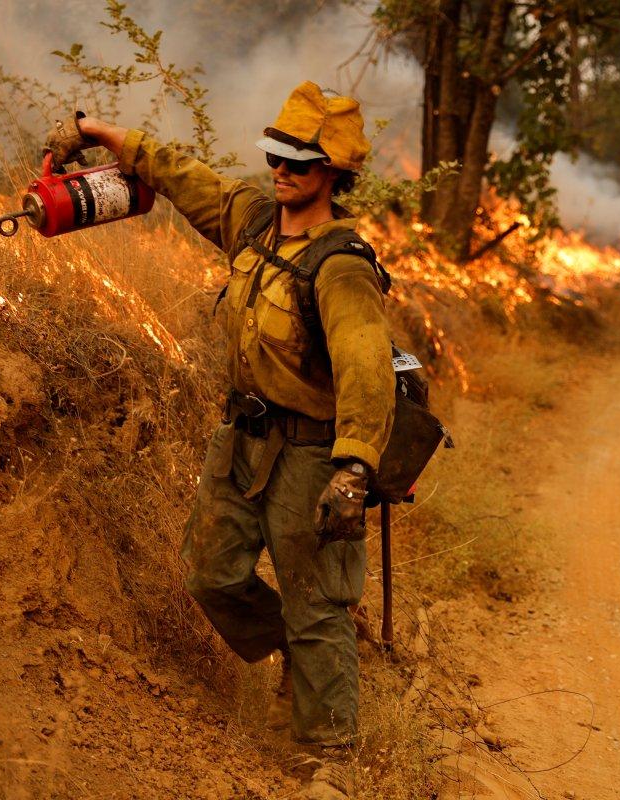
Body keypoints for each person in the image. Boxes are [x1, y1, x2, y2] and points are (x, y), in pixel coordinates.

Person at [45, 82, 394, 797]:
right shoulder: (254, 220)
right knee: (210, 575)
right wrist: (96, 130)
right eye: (278, 155)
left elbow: (365, 367)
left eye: (301, 161)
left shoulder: (342, 264)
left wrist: (353, 468)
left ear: (334, 173)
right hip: (242, 440)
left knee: (317, 600)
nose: (283, 169)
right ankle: (301, 656)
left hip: (311, 454)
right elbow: (178, 174)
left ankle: (330, 761)